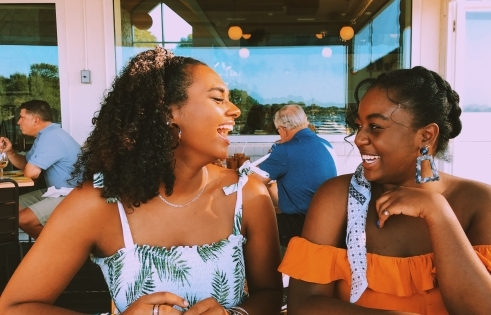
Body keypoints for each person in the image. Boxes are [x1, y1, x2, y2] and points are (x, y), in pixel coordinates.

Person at [0, 47, 282, 314]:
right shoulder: (99, 203)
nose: (235, 110)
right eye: (218, 98)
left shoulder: (248, 195)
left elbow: (270, 294)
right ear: (168, 113)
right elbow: (12, 307)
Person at [278, 66, 491, 314]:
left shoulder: (481, 202)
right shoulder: (336, 197)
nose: (359, 138)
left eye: (375, 126)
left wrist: (438, 213)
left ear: (426, 136)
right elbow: (303, 305)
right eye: (359, 126)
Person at [250, 104, 337, 247]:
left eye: (278, 131)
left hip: (298, 226)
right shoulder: (326, 144)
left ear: (283, 130)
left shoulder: (285, 151)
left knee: (253, 227)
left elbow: (252, 181)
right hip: (327, 223)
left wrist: (275, 153)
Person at [0, 99, 81, 239]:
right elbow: (26, 164)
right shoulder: (44, 136)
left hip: (71, 194)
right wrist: (10, 152)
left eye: (22, 117)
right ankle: (55, 242)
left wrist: (30, 169)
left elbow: (31, 172)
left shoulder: (52, 136)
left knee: (24, 219)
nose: (18, 122)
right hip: (54, 191)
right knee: (10, 206)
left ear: (36, 120)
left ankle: (59, 250)